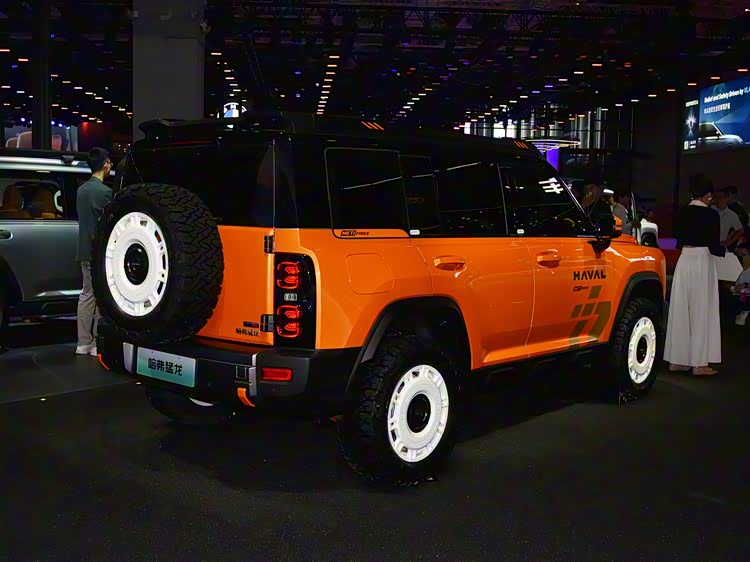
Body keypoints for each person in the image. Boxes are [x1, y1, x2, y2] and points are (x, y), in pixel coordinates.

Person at [664, 174, 723, 376]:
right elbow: (714, 244)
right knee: (701, 310)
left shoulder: (682, 212)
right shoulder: (711, 215)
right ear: (708, 195)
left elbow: (677, 238)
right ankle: (699, 363)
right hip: (701, 260)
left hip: (684, 259)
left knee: (681, 309)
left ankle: (677, 360)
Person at [76, 147, 113, 356]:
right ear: (105, 164)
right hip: (100, 252)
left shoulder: (81, 190)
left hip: (84, 250)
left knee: (86, 295)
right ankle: (98, 343)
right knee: (101, 297)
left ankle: (83, 343)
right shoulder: (105, 192)